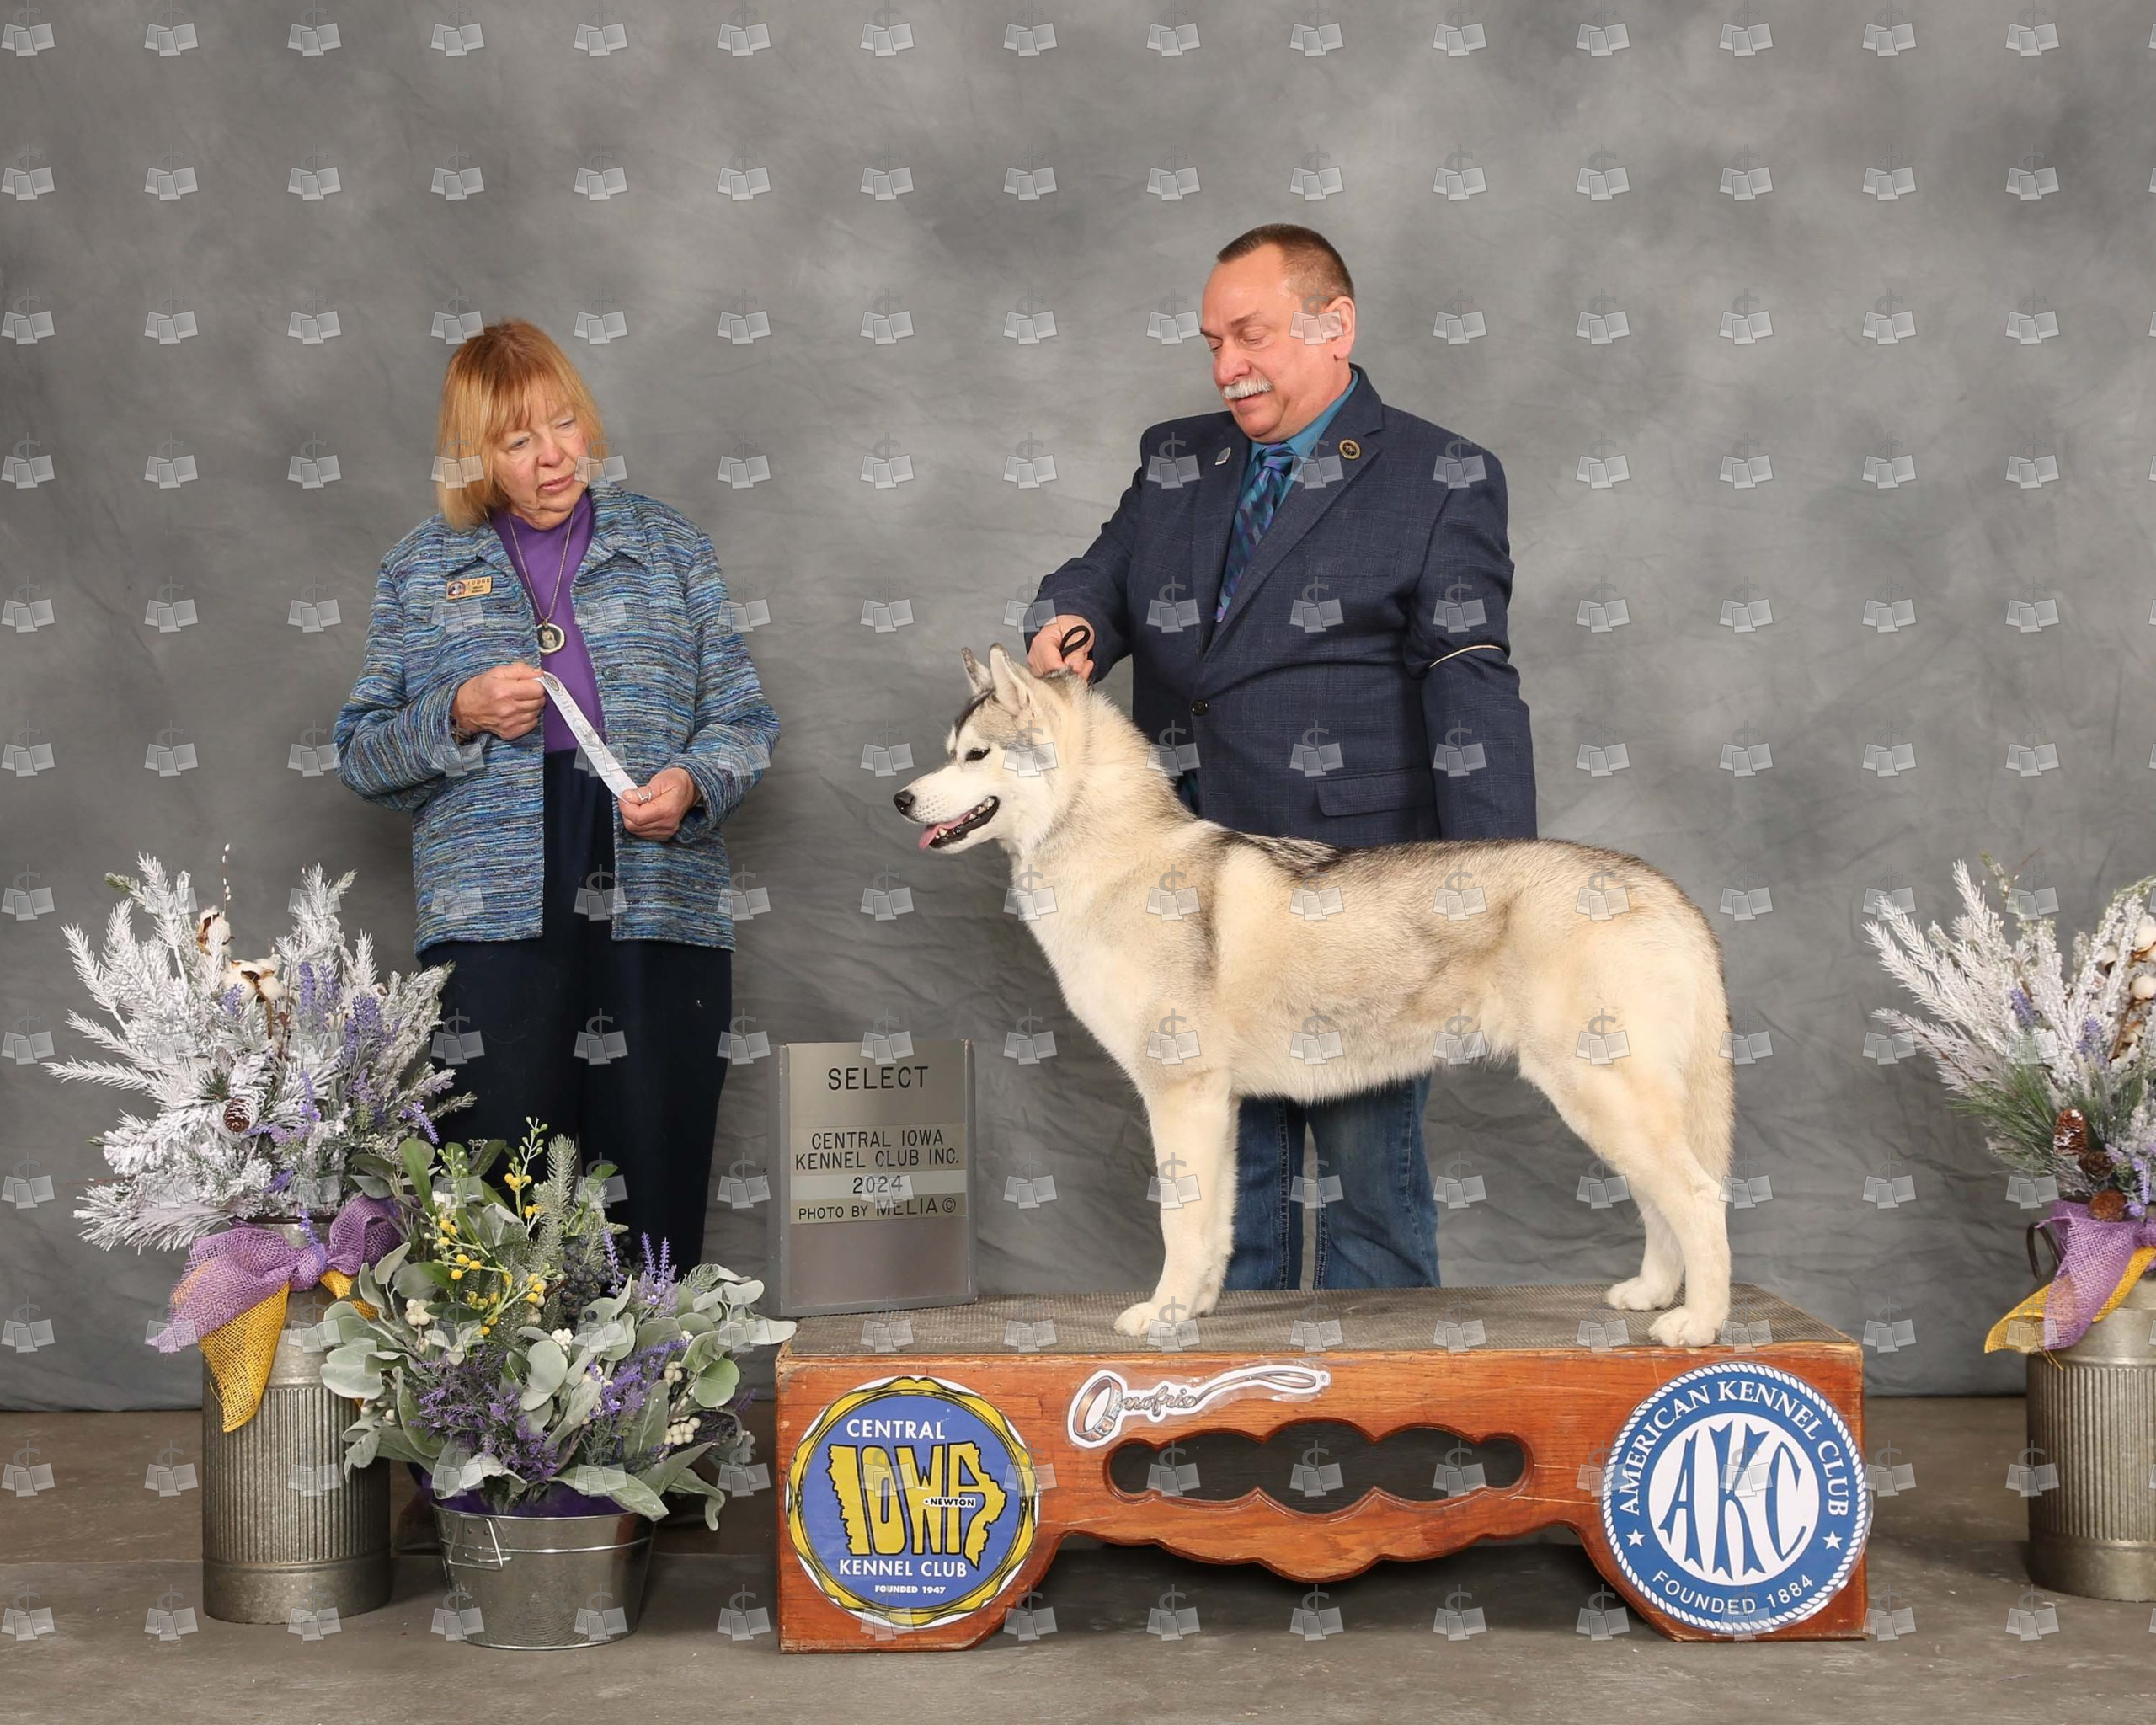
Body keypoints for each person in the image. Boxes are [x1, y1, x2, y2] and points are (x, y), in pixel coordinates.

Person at [1025, 223, 1537, 1293]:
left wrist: (1499, 880)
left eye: (1249, 335)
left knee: (1370, 1181)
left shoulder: (1441, 474)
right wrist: (1068, 619)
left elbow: (1469, 679)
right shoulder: (1176, 456)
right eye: (1212, 342)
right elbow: (1101, 574)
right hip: (1182, 894)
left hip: (1358, 894)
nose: (1227, 367)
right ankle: (1237, 1387)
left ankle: (1384, 1396)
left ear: (1333, 324)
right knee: (1222, 1176)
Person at [334, 318, 778, 1274]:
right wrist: (456, 711)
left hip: (655, 883)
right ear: (475, 456)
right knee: (496, 1182)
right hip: (492, 905)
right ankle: (500, 1375)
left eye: (565, 424)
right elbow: (362, 754)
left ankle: (657, 1367)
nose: (554, 457)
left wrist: (692, 781)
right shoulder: (420, 568)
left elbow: (744, 722)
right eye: (518, 440)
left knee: (652, 1168)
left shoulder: (670, 547)